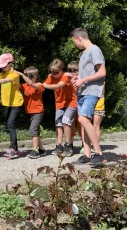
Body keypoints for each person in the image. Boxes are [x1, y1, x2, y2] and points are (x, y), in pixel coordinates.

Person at [70, 28, 106, 166]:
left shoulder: (94, 50)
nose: (75, 45)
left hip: (92, 91)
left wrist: (83, 80)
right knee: (83, 123)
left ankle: (98, 153)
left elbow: (102, 72)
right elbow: (87, 73)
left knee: (83, 119)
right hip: (82, 91)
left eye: (74, 41)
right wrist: (78, 78)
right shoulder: (85, 53)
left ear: (79, 38)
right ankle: (86, 154)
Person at [42, 59, 77, 157]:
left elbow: (57, 86)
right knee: (58, 123)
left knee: (66, 122)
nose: (53, 74)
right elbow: (44, 85)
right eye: (51, 72)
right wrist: (44, 84)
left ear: (62, 70)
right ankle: (59, 145)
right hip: (59, 103)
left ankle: (68, 145)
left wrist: (44, 84)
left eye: (56, 72)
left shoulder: (65, 76)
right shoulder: (52, 76)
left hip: (71, 102)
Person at [0, 53, 23, 159]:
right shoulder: (2, 73)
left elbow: (4, 81)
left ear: (10, 64)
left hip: (15, 103)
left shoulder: (14, 74)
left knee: (11, 125)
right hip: (7, 103)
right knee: (9, 125)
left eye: (4, 65)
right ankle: (14, 148)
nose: (2, 67)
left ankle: (13, 148)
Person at [16, 67, 46, 159]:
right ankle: (41, 149)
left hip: (38, 111)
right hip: (30, 112)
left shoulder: (39, 85)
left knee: (33, 130)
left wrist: (21, 75)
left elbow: (31, 83)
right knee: (35, 131)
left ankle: (35, 150)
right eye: (26, 76)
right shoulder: (25, 86)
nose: (27, 78)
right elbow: (16, 85)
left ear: (35, 76)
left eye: (29, 76)